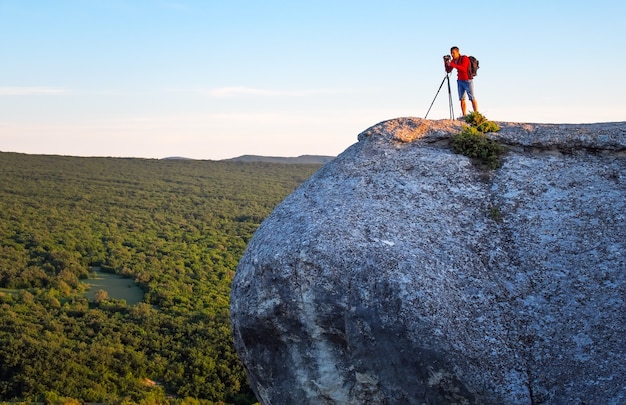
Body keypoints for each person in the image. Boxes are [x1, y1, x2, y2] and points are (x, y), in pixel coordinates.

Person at [444, 46, 478, 117]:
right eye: (451, 53)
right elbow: (448, 70)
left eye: (453, 53)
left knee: (472, 98)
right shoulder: (454, 61)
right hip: (460, 81)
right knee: (462, 99)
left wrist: (452, 64)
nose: (452, 55)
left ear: (458, 52)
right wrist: (446, 63)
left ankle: (476, 114)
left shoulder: (464, 58)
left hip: (468, 80)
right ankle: (464, 115)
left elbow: (463, 68)